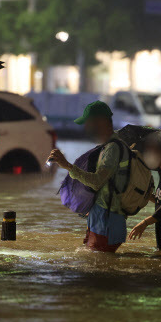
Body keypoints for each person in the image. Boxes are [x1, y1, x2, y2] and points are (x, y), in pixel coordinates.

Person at [47, 101, 129, 252]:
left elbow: (97, 182)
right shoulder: (110, 145)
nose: (85, 128)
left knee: (98, 271)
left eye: (88, 123)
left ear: (100, 123)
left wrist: (68, 166)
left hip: (106, 224)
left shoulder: (112, 149)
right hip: (101, 220)